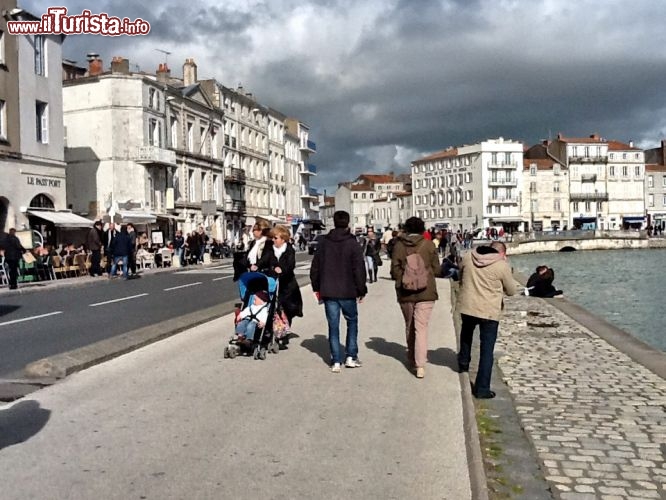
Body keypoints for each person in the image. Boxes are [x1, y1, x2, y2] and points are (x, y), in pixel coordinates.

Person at [456, 241, 516, 399]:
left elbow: (460, 275)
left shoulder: (469, 257)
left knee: (466, 334)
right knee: (487, 349)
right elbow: (511, 291)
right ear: (501, 253)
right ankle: (482, 388)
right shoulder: (502, 266)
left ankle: (463, 363)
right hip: (489, 310)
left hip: (468, 305)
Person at [310, 210, 367, 373]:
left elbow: (315, 268)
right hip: (348, 290)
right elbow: (359, 269)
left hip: (328, 290)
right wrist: (361, 289)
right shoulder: (353, 244)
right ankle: (350, 356)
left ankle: (336, 360)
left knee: (333, 326)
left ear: (334, 222)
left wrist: (317, 288)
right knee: (352, 322)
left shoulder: (324, 243)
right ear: (348, 223)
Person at [391, 217, 440, 379]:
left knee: (409, 325)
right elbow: (437, 269)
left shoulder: (399, 245)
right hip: (426, 292)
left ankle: (412, 358)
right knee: (422, 327)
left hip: (405, 293)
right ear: (422, 229)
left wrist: (405, 279)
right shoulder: (429, 244)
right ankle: (420, 365)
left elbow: (394, 270)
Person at [258, 225, 303, 332]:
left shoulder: (289, 250)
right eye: (272, 238)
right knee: (272, 307)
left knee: (287, 308)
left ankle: (285, 330)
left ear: (283, 239)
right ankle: (272, 329)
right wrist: (256, 265)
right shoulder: (270, 249)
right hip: (273, 282)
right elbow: (264, 260)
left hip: (287, 284)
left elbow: (290, 265)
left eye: (276, 238)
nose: (273, 240)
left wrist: (282, 269)